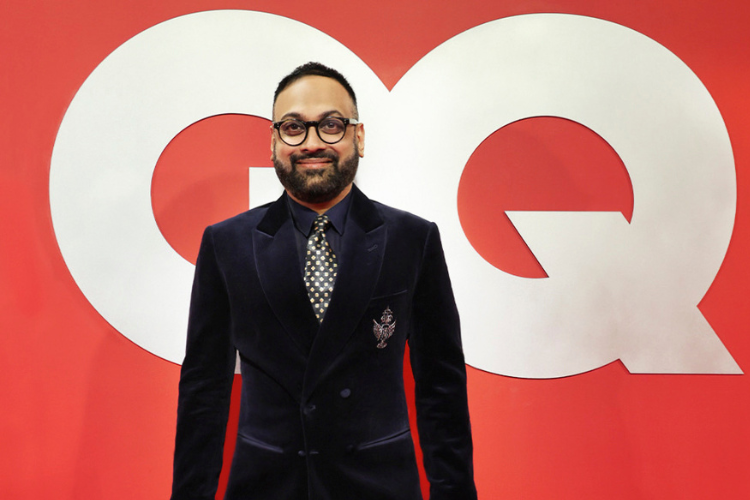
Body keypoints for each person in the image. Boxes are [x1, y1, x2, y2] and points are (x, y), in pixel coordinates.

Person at [171, 62, 477, 500]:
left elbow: (440, 386)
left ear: (359, 137)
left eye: (331, 125)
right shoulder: (227, 243)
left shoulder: (412, 239)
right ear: (274, 142)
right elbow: (205, 389)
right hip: (267, 487)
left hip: (379, 486)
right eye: (294, 127)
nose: (312, 142)